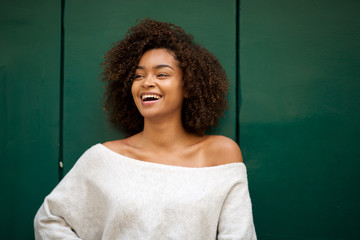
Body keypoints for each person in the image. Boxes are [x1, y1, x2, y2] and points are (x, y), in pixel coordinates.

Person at [34, 18, 257, 240]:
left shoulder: (220, 154)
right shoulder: (105, 158)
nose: (146, 82)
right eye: (139, 76)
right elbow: (49, 220)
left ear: (188, 86)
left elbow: (239, 234)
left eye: (162, 74)